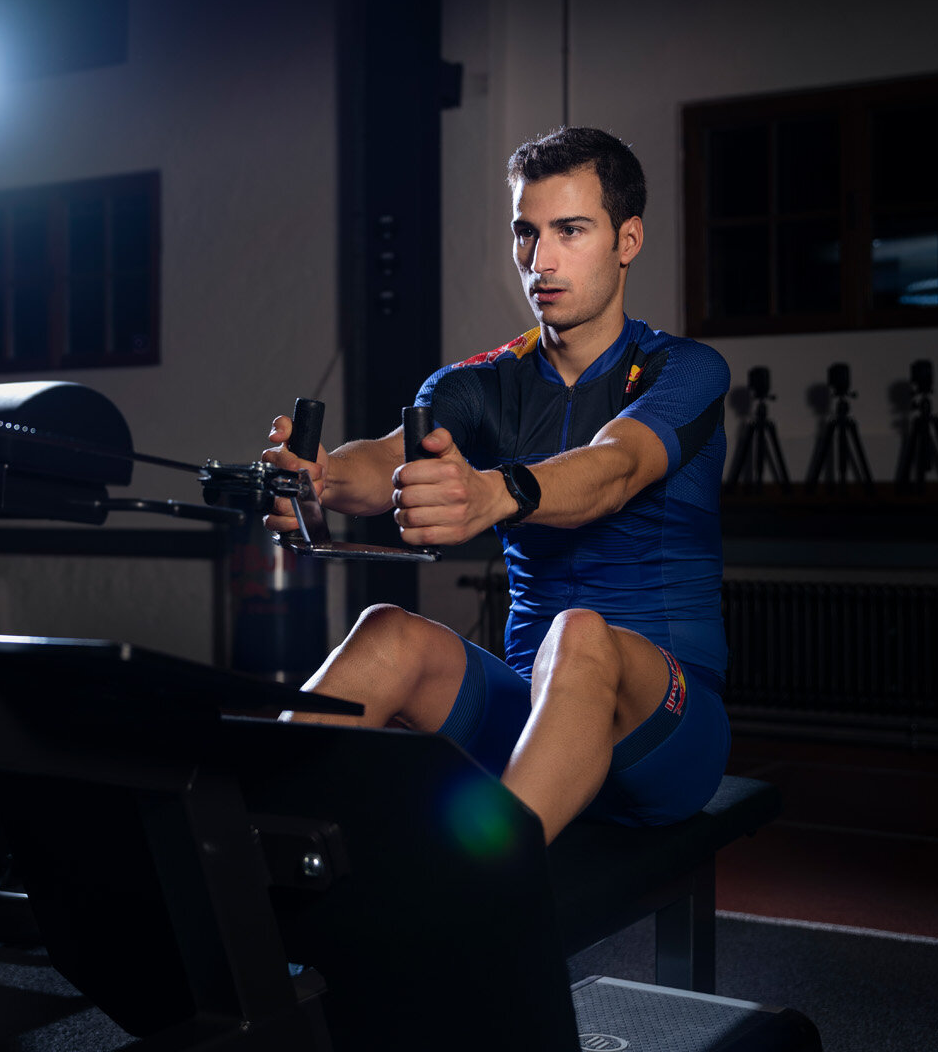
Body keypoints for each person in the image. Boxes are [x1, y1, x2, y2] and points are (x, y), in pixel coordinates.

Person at [263, 126, 731, 844]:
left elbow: (618, 467)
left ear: (626, 240)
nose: (539, 261)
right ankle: (244, 850)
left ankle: (483, 886)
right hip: (534, 718)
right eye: (526, 233)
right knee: (387, 632)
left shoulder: (685, 371)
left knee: (579, 635)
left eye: (570, 230)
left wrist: (494, 493)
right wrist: (320, 479)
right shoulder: (482, 383)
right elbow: (389, 459)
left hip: (665, 728)